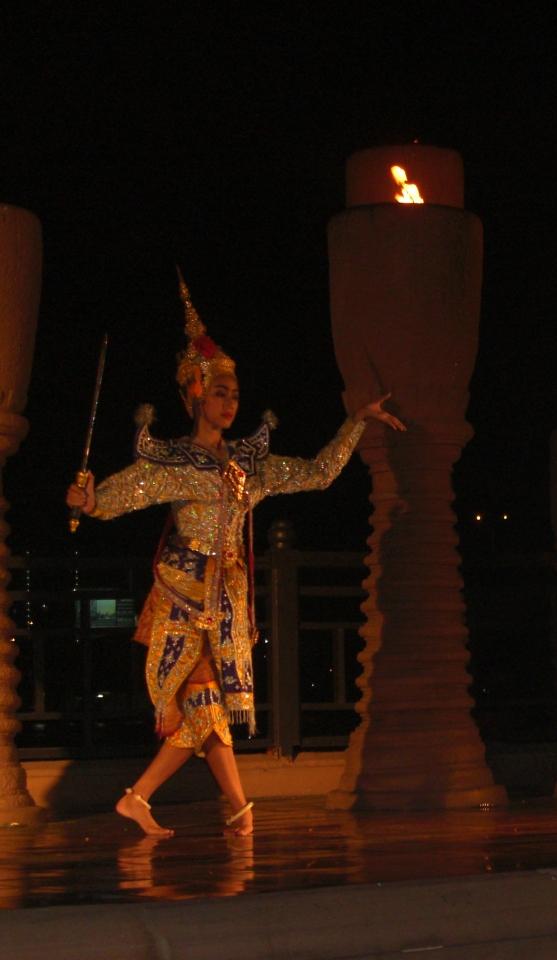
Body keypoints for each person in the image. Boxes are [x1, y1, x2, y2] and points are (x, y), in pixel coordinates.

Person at [64, 273, 405, 837]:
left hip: (226, 603)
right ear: (196, 394)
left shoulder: (249, 467)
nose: (229, 403)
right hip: (182, 597)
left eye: (235, 395)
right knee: (203, 708)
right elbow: (120, 495)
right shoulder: (174, 462)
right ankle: (218, 809)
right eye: (220, 392)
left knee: (209, 710)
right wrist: (89, 499)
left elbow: (318, 473)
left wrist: (356, 423)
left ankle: (173, 803)